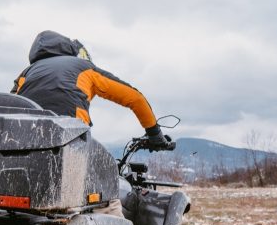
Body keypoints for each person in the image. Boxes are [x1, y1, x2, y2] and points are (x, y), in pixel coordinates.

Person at [12, 30, 173, 150]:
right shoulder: (83, 67)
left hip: (24, 144)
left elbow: (9, 105)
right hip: (71, 143)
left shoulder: (26, 73)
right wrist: (155, 135)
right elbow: (135, 98)